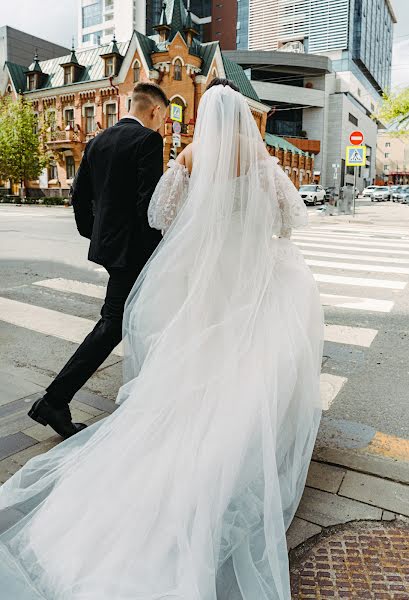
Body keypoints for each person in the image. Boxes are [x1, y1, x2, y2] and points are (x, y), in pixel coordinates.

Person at [0, 79, 324, 600]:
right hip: (249, 276)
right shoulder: (260, 157)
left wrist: (196, 232)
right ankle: (244, 445)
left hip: (202, 278)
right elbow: (292, 215)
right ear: (243, 116)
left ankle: (79, 410)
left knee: (190, 366)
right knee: (253, 362)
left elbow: (160, 214)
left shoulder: (190, 156)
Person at [27, 82, 169, 439]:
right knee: (113, 326)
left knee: (132, 321)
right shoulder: (148, 142)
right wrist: (160, 253)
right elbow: (148, 207)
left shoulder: (97, 142)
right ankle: (54, 400)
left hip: (109, 248)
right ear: (155, 110)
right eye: (164, 117)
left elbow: (79, 196)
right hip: (135, 254)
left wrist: (95, 234)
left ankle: (149, 395)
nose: (163, 125)